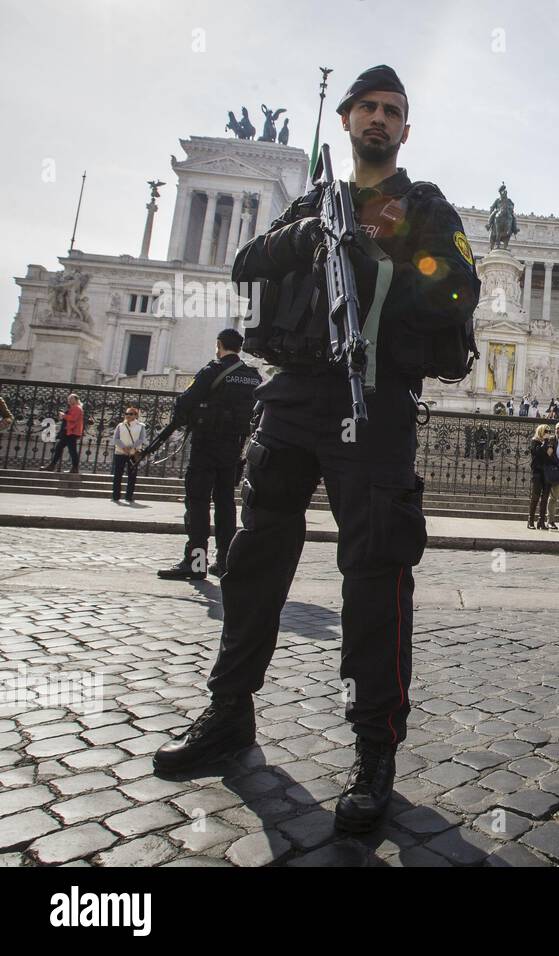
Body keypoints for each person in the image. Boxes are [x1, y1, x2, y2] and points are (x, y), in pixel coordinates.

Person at [153, 66, 481, 835]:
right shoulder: (310, 202)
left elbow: (460, 286)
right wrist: (302, 237)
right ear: (345, 119)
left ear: (405, 129)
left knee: (376, 574)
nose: (378, 118)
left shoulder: (424, 205)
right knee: (254, 558)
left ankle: (374, 751)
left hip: (375, 402)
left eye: (392, 111)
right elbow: (244, 265)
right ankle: (229, 712)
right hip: (293, 396)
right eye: (366, 106)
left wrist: (387, 269)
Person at [156, 329, 263, 580]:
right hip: (234, 448)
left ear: (219, 345)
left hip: (206, 445)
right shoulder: (252, 376)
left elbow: (183, 403)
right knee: (225, 504)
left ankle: (195, 564)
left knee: (198, 503)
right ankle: (224, 561)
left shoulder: (212, 370)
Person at [111, 407, 147, 503]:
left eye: (130, 414)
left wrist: (131, 448)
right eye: (126, 413)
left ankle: (129, 496)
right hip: (120, 452)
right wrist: (123, 447)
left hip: (133, 454)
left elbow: (141, 439)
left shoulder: (141, 426)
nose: (128, 415)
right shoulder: (120, 425)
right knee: (118, 474)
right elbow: (116, 438)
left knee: (132, 475)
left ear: (135, 415)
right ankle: (115, 495)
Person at [42, 393, 83, 473]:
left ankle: (74, 468)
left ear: (76, 400)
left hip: (71, 433)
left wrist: (64, 415)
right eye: (68, 399)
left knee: (71, 450)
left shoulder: (77, 408)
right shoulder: (74, 408)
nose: (69, 400)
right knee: (59, 448)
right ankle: (52, 465)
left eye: (71, 399)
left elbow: (73, 418)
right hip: (68, 432)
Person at [527, 422, 555, 530]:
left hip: (547, 473)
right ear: (541, 432)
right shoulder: (535, 442)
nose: (548, 433)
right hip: (538, 472)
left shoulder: (549, 444)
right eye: (546, 431)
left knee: (545, 498)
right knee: (535, 497)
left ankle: (541, 521)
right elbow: (538, 453)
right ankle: (530, 520)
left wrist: (550, 451)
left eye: (549, 432)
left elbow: (551, 458)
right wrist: (545, 443)